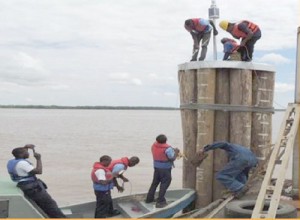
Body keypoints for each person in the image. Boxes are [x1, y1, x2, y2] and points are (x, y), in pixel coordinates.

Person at [6, 144, 66, 218]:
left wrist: (25, 147)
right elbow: (39, 171)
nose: (28, 153)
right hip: (33, 188)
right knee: (50, 205)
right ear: (21, 154)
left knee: (42, 205)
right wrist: (38, 159)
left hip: (23, 185)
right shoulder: (22, 163)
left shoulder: (12, 161)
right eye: (26, 152)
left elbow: (19, 153)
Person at [145, 134, 180, 208]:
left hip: (156, 167)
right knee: (165, 183)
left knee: (155, 183)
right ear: (165, 141)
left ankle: (149, 199)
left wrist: (172, 150)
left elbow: (160, 152)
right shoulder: (168, 148)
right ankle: (160, 201)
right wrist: (176, 152)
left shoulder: (154, 145)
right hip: (165, 168)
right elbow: (172, 158)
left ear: (157, 140)